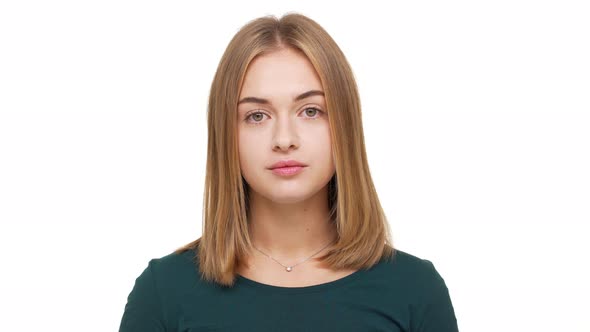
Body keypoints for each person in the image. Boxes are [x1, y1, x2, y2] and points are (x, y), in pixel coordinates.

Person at [119, 12, 459, 332]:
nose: (284, 139)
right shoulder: (163, 291)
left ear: (345, 125)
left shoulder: (415, 290)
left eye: (310, 111)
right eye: (256, 115)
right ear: (226, 135)